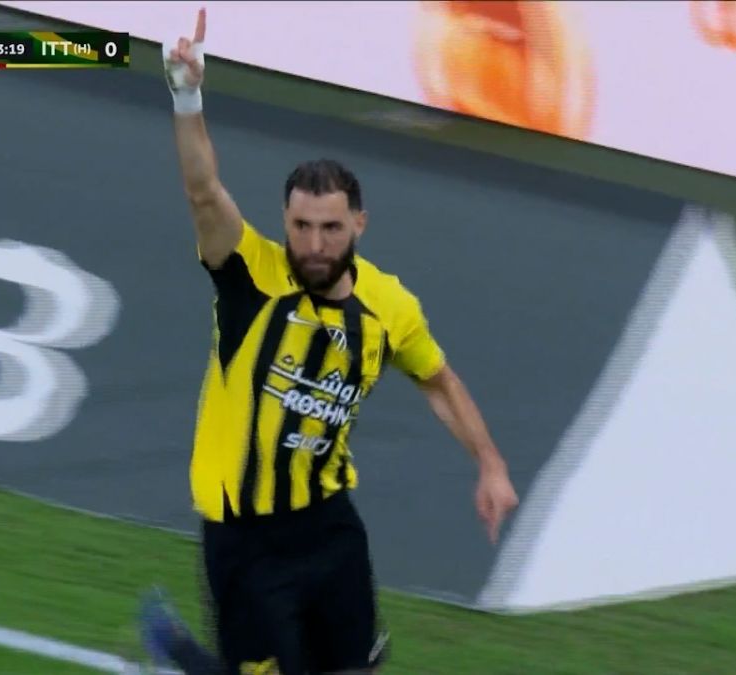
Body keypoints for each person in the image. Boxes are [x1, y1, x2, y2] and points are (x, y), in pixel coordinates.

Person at [140, 9, 519, 675]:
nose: (315, 244)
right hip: (244, 540)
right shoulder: (252, 276)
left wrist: (489, 463)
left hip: (329, 526)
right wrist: (187, 96)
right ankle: (185, 656)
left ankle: (186, 656)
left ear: (359, 225)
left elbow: (439, 382)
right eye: (302, 226)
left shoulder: (389, 307)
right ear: (284, 220)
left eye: (331, 228)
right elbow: (203, 193)